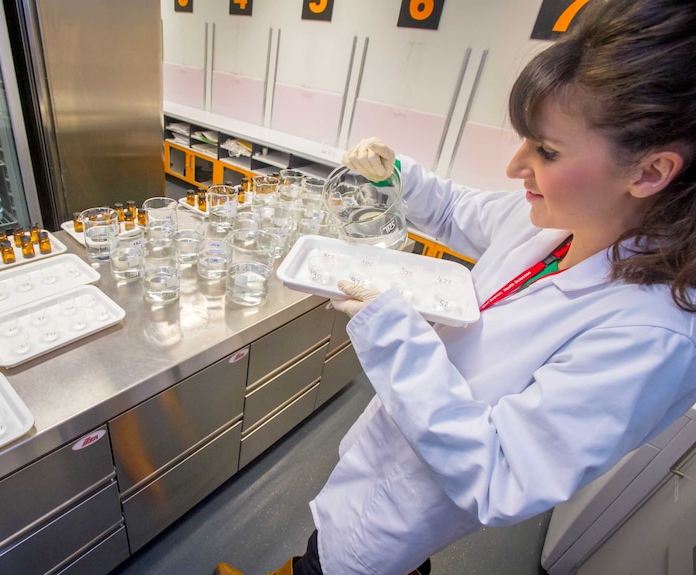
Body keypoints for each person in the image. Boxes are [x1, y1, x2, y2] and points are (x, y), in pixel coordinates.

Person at [216, 0, 696, 573]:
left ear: (649, 172)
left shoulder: (650, 337)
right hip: (394, 457)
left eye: (546, 150)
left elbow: (501, 473)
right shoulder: (561, 224)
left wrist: (396, 334)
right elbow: (454, 209)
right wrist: (396, 176)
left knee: (349, 560)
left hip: (411, 502)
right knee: (329, 543)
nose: (518, 166)